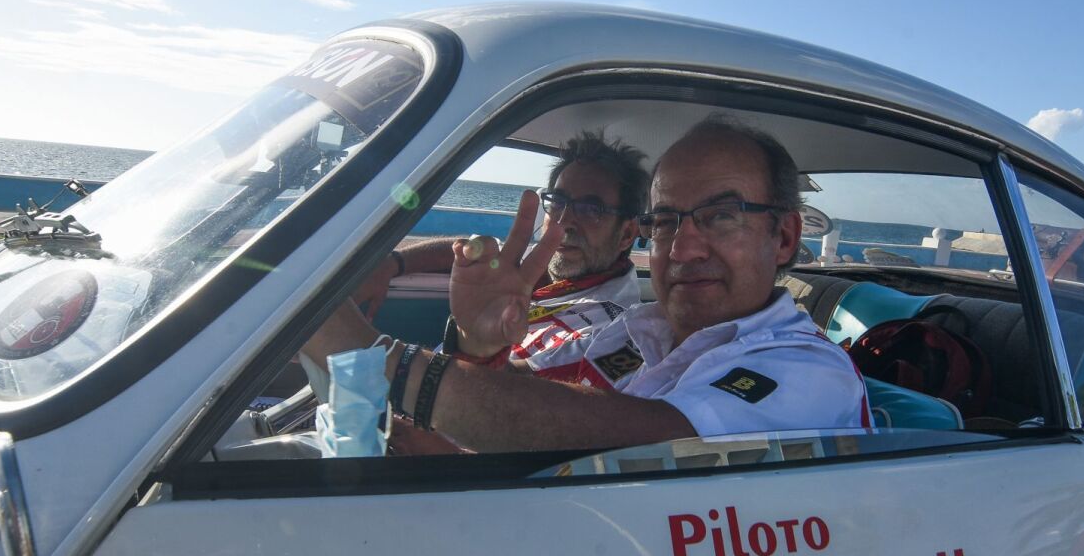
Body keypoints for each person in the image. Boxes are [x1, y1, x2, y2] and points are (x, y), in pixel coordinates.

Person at [305, 115, 869, 453]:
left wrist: (367, 355)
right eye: (668, 220)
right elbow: (526, 393)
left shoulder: (809, 371)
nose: (685, 245)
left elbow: (648, 444)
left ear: (786, 238)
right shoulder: (639, 332)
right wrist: (479, 349)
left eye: (722, 216)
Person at [342, 131, 648, 381]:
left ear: (625, 234)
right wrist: (393, 264)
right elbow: (472, 253)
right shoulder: (551, 273)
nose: (565, 220)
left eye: (591, 210)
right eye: (558, 202)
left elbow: (512, 397)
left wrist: (477, 349)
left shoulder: (615, 330)